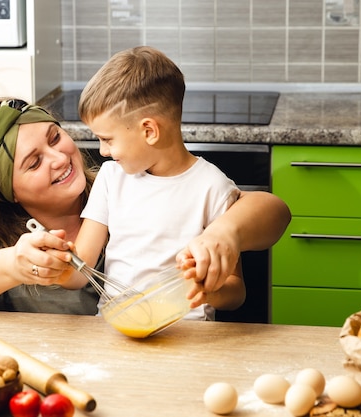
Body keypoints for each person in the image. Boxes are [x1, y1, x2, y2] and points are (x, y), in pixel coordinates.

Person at [0, 95, 291, 322]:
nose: (58, 157)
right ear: (8, 192)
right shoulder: (2, 240)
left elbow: (269, 209)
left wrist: (226, 232)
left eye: (55, 137)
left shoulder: (129, 187)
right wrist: (12, 265)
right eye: (34, 163)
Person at [53, 46, 262, 319]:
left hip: (188, 335)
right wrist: (57, 265)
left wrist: (210, 292)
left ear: (149, 131)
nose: (102, 151)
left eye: (108, 139)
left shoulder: (213, 187)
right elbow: (80, 273)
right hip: (114, 330)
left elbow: (236, 291)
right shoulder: (110, 178)